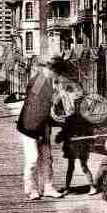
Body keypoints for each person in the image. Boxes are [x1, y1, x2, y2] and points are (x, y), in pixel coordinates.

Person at [17, 55, 77, 200]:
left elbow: (52, 102)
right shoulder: (38, 81)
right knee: (32, 159)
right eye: (58, 73)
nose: (59, 76)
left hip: (43, 125)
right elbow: (34, 105)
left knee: (47, 158)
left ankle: (48, 187)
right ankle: (31, 189)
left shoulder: (51, 80)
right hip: (30, 125)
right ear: (52, 69)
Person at [53, 80, 97, 196]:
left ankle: (92, 186)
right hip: (72, 143)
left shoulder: (84, 117)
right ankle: (69, 187)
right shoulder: (71, 116)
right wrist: (61, 137)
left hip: (81, 142)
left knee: (82, 165)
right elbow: (65, 129)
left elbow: (89, 129)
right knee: (72, 166)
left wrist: (60, 137)